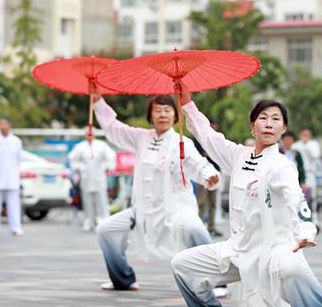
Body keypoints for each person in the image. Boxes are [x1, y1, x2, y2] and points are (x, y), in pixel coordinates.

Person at [172, 88, 322, 307]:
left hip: (273, 249)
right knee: (182, 264)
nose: (269, 123)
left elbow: (296, 198)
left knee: (293, 268)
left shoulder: (282, 164)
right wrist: (187, 103)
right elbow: (207, 136)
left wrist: (305, 230)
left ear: (284, 129)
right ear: (252, 125)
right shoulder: (238, 155)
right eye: (263, 117)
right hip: (236, 249)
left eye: (276, 119)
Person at [92, 87, 220, 291]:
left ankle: (217, 281)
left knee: (195, 229)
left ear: (175, 116)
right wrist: (98, 102)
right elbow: (114, 128)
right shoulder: (141, 138)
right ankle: (122, 279)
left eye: (167, 110)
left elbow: (197, 164)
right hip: (143, 210)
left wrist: (208, 175)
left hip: (176, 208)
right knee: (106, 229)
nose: (162, 114)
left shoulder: (182, 142)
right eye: (158, 110)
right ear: (150, 116)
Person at [68, 131, 117, 232]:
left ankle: (103, 220)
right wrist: (80, 168)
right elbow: (72, 159)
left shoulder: (101, 145)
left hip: (99, 176)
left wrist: (106, 166)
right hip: (86, 177)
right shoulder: (80, 146)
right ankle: (88, 221)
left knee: (101, 199)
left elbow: (111, 156)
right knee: (87, 200)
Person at [0, 118, 23, 236]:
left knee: (13, 205)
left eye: (5, 124)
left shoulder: (16, 141)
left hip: (11, 178)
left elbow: (18, 159)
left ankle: (16, 227)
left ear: (9, 125)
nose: (3, 126)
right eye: (1, 124)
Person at [193, 118, 222, 238]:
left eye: (215, 126)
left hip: (215, 173)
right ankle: (199, 226)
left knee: (213, 203)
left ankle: (212, 226)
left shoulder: (218, 139)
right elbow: (196, 156)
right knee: (201, 202)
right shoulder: (197, 139)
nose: (213, 128)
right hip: (202, 175)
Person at [293, 128, 321, 213]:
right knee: (298, 196)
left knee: (312, 196)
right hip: (298, 174)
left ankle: (313, 216)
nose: (305, 136)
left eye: (307, 134)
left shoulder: (313, 144)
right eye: (303, 134)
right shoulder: (296, 145)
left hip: (310, 173)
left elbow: (316, 155)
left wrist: (306, 145)